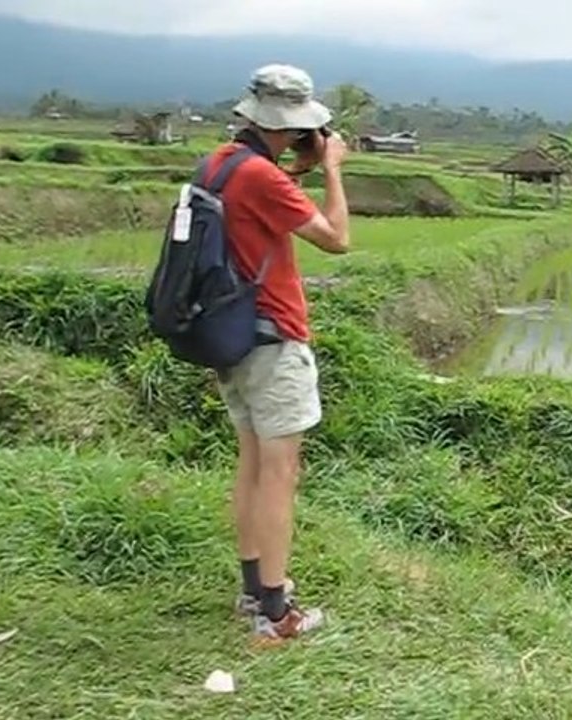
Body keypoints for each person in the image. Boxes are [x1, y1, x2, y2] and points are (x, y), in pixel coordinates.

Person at [206, 64, 350, 643]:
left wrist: (300, 170)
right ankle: (276, 612)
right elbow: (337, 239)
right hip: (272, 338)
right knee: (281, 471)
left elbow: (261, 190)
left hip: (233, 337)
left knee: (252, 461)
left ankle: (253, 592)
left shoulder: (223, 161)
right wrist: (333, 172)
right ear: (289, 124)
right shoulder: (264, 179)